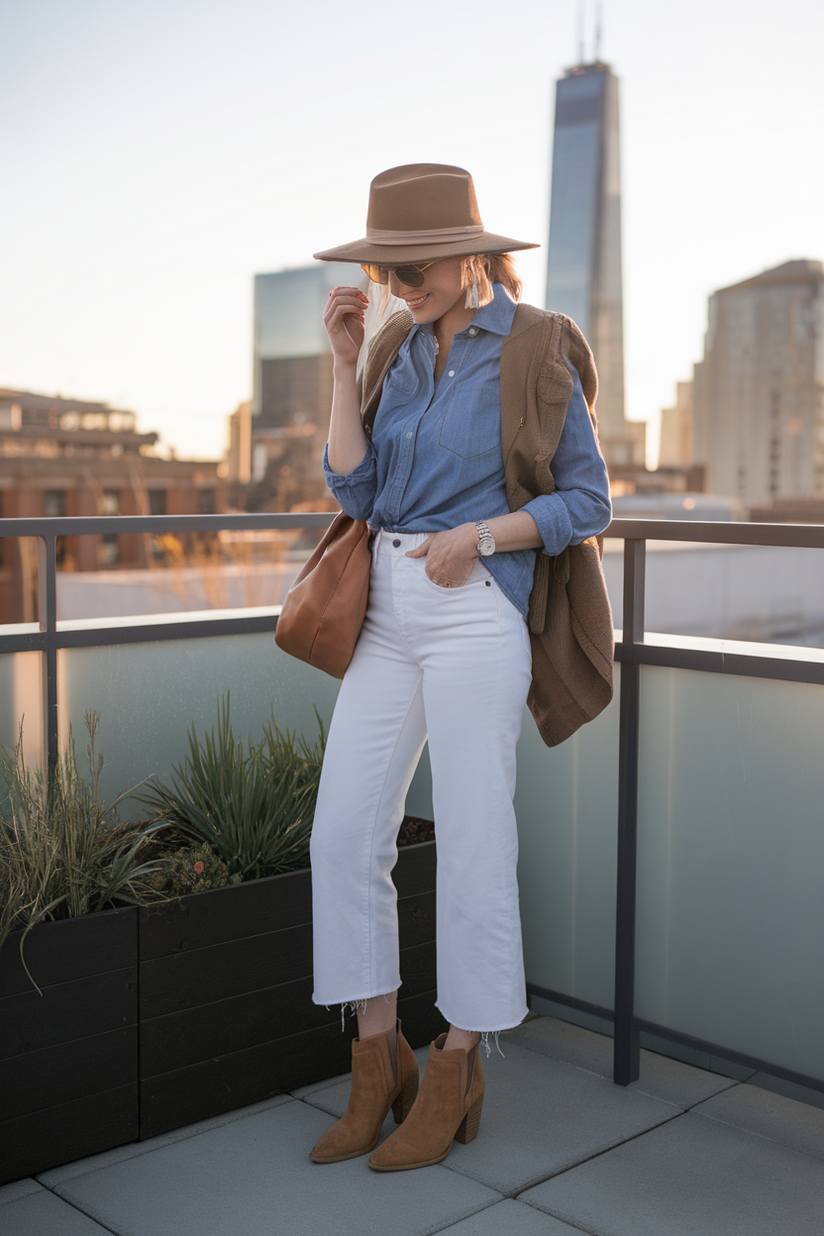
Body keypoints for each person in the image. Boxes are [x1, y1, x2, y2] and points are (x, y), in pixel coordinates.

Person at [307, 164, 613, 1172]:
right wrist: (342, 361)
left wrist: (481, 536)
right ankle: (374, 1059)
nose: (397, 284)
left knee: (475, 840)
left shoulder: (536, 343)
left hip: (474, 608)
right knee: (345, 834)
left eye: (413, 266)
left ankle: (456, 1063)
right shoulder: (391, 344)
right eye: (384, 269)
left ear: (472, 252)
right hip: (384, 607)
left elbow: (585, 501)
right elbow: (353, 482)